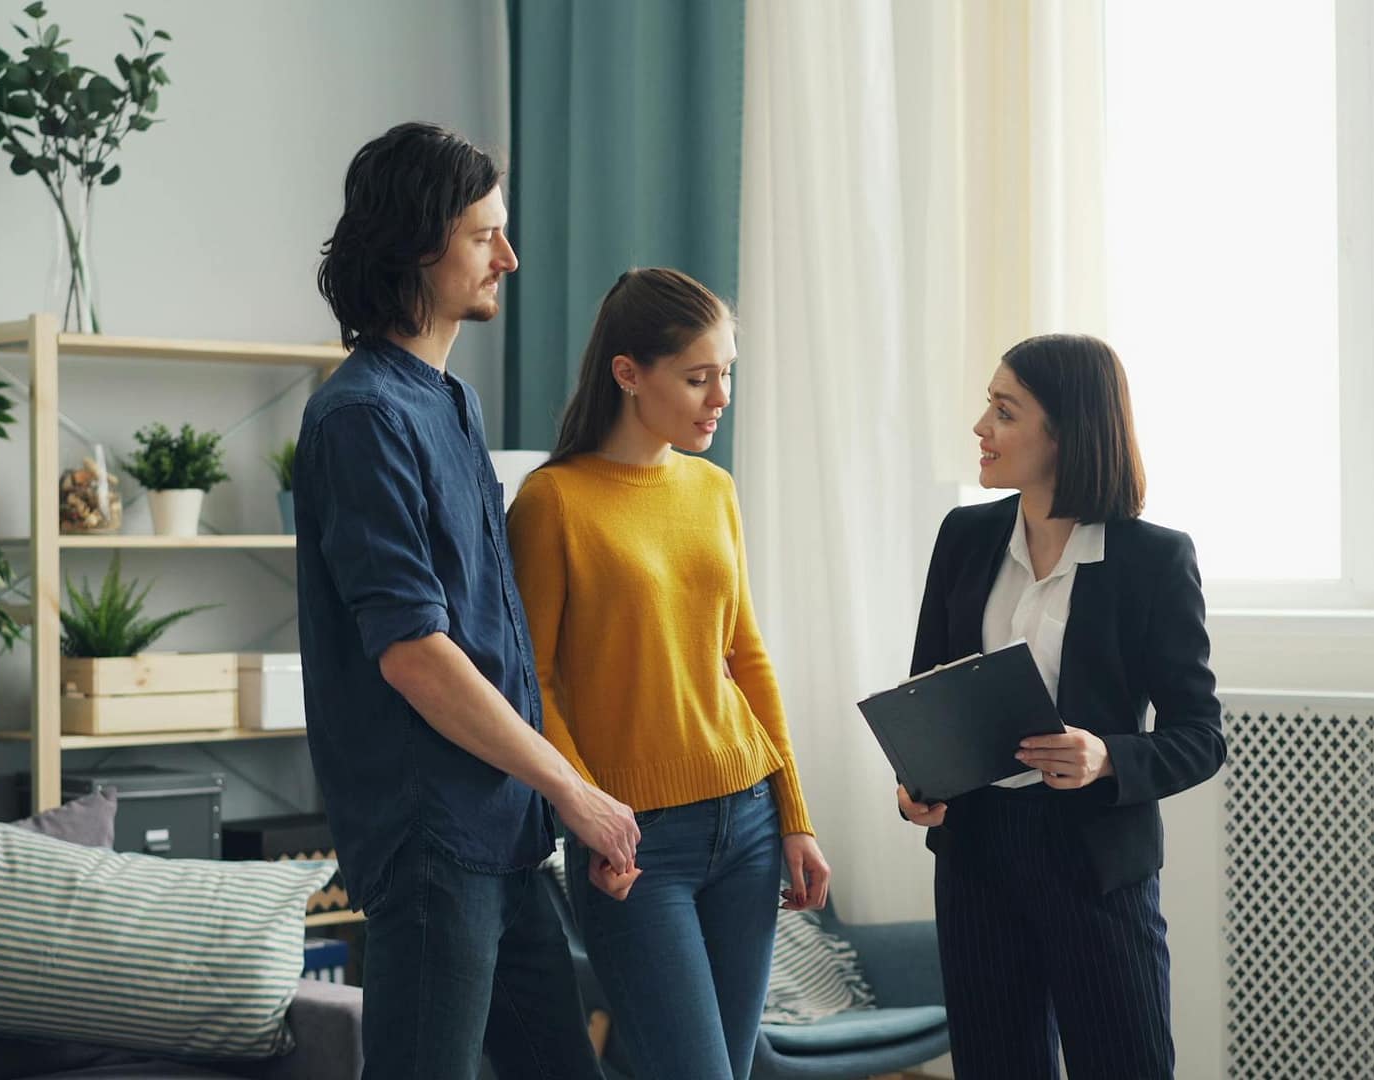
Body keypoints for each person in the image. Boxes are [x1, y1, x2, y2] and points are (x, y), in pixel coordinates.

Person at [297, 121, 637, 1080]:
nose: (510, 256)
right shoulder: (363, 416)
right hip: (431, 839)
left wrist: (555, 801)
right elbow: (414, 653)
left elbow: (499, 641)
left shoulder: (449, 403)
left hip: (502, 833)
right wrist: (573, 789)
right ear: (419, 241)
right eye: (486, 234)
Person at [507, 267, 833, 1080]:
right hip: (636, 843)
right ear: (628, 373)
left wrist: (795, 814)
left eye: (725, 373)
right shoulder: (552, 503)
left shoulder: (715, 490)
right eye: (698, 377)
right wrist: (588, 811)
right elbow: (530, 684)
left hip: (748, 822)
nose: (719, 396)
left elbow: (745, 657)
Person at [898, 333, 1226, 1080]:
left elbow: (1200, 736)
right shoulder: (965, 536)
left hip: (1093, 861)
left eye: (1004, 411)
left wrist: (1107, 755)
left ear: (1065, 433)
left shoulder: (1152, 560)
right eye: (989, 405)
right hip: (977, 854)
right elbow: (926, 688)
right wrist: (921, 784)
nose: (981, 427)